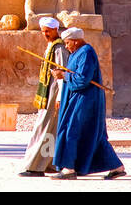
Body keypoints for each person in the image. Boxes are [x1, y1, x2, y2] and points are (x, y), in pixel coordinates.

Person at [50, 27, 126, 180]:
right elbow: (74, 74)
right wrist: (63, 74)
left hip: (85, 100)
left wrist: (63, 75)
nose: (66, 46)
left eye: (67, 43)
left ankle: (69, 168)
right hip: (76, 98)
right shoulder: (74, 54)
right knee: (91, 134)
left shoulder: (86, 52)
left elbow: (82, 79)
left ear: (76, 41)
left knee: (71, 130)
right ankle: (117, 167)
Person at [19, 17, 66, 176]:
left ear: (55, 30)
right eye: (43, 31)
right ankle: (49, 164)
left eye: (48, 31)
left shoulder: (59, 49)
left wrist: (60, 96)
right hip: (48, 93)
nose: (45, 34)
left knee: (44, 128)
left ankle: (35, 166)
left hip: (54, 95)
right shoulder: (51, 46)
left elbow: (62, 74)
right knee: (50, 129)